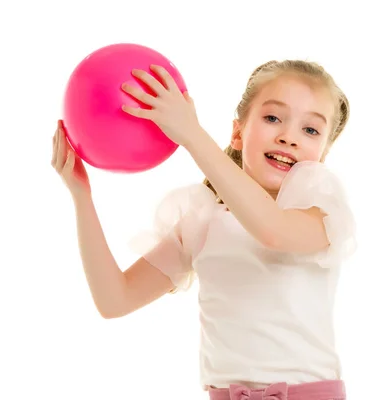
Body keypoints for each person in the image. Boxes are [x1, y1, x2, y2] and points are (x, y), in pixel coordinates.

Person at [51, 59, 357, 400]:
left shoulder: (321, 214)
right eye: (273, 118)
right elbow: (114, 299)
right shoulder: (202, 220)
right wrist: (82, 197)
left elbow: (273, 231)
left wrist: (192, 135)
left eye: (311, 130)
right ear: (238, 133)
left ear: (323, 155)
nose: (289, 137)